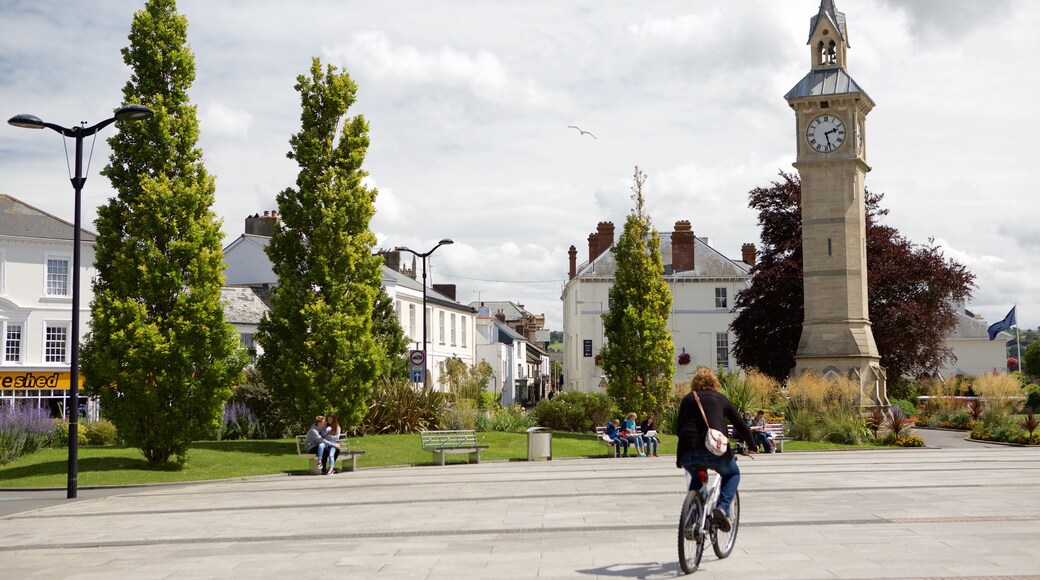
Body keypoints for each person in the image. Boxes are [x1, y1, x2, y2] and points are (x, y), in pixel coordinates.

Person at [676, 367, 757, 532]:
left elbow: (679, 428)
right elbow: (742, 426)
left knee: (696, 478)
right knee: (732, 473)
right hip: (714, 451)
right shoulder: (720, 398)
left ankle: (692, 522)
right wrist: (752, 445)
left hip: (687, 453)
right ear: (714, 383)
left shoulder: (688, 399)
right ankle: (723, 507)